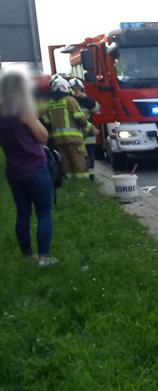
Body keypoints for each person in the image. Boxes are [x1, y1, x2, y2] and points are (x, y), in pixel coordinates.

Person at [0, 71, 56, 265]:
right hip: (34, 167)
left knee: (22, 212)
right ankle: (44, 258)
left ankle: (27, 254)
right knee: (44, 213)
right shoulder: (23, 109)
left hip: (14, 171)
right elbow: (43, 136)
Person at [45, 77, 89, 180]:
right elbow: (80, 119)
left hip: (58, 140)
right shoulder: (70, 100)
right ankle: (82, 185)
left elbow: (47, 123)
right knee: (79, 163)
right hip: (74, 140)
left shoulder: (50, 103)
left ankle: (70, 185)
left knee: (66, 165)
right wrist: (86, 129)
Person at [69, 78, 100, 180]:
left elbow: (97, 109)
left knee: (90, 159)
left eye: (79, 89)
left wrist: (86, 99)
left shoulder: (86, 100)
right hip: (76, 136)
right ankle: (82, 179)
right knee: (79, 159)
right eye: (74, 89)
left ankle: (91, 179)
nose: (77, 91)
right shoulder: (69, 101)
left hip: (89, 136)